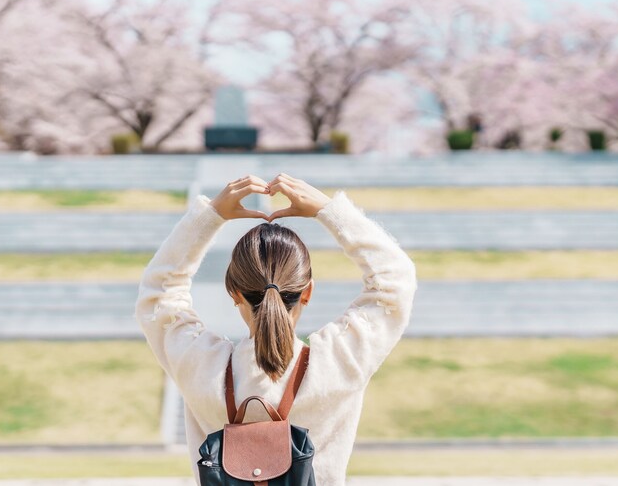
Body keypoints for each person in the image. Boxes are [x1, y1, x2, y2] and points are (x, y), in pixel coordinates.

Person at [136, 173, 418, 485]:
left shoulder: (200, 364)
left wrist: (212, 215)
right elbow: (395, 281)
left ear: (234, 293)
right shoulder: (338, 360)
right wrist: (328, 210)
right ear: (307, 292)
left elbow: (160, 294)